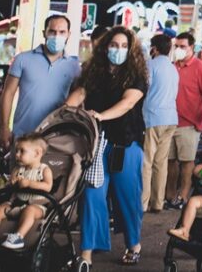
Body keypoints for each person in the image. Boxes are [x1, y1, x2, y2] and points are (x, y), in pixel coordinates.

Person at [66, 26, 147, 266]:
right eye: (114, 45)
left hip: (126, 144)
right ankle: (87, 253)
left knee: (127, 198)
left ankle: (134, 244)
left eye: (123, 46)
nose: (118, 50)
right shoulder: (92, 74)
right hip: (95, 145)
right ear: (104, 47)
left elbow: (127, 103)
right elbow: (75, 98)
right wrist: (63, 114)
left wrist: (99, 116)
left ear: (131, 51)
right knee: (91, 195)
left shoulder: (136, 77)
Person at [0, 15, 81, 148]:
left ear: (68, 35)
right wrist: (4, 127)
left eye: (62, 32)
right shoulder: (22, 59)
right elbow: (8, 93)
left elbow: (77, 100)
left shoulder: (74, 66)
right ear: (44, 33)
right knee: (18, 169)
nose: (57, 36)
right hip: (23, 135)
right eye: (52, 31)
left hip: (57, 137)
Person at [0, 133, 54, 254]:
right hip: (16, 203)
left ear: (37, 153)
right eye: (16, 151)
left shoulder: (44, 170)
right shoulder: (18, 169)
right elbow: (10, 186)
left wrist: (30, 184)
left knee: (30, 211)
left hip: (37, 205)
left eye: (22, 151)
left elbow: (48, 186)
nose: (17, 155)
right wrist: (12, 182)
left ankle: (18, 237)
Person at [164, 32, 202, 210]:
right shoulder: (171, 66)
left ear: (192, 48)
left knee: (186, 162)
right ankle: (169, 196)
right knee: (170, 161)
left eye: (182, 46)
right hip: (169, 121)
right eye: (176, 46)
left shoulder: (200, 67)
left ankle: (183, 196)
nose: (178, 49)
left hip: (190, 123)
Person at [141, 33, 179, 213]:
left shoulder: (150, 65)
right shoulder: (173, 69)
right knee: (161, 162)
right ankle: (158, 202)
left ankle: (142, 203)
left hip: (153, 117)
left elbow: (143, 89)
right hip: (171, 118)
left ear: (154, 49)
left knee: (147, 161)